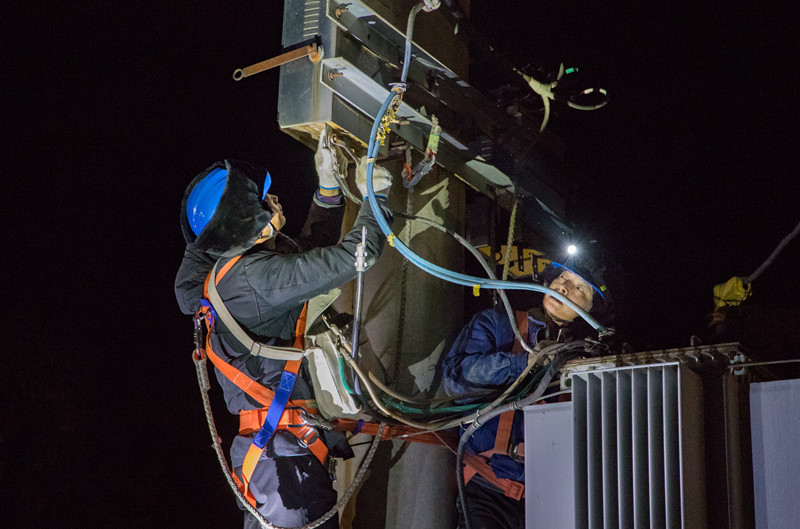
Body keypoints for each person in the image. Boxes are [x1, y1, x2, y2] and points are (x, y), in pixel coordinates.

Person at [174, 128, 392, 529]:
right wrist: (376, 198)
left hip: (275, 462)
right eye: (266, 200)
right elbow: (354, 256)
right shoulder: (256, 280)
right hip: (285, 469)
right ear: (252, 226)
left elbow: (308, 259)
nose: (275, 199)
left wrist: (328, 191)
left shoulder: (229, 275)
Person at [442, 254, 613, 529]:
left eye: (579, 288)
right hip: (489, 489)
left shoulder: (589, 363)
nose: (563, 287)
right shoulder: (499, 323)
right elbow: (456, 379)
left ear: (592, 309)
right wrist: (522, 364)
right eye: (562, 277)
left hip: (552, 497)